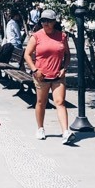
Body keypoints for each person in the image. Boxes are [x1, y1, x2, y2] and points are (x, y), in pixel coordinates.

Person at [24, 9, 74, 145]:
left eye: (48, 21)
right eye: (43, 21)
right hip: (41, 76)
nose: (45, 23)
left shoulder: (62, 36)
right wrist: (35, 70)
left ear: (54, 22)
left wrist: (65, 68)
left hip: (58, 75)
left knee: (60, 102)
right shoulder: (37, 36)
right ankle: (40, 128)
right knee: (41, 102)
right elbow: (27, 55)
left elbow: (68, 54)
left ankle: (65, 131)